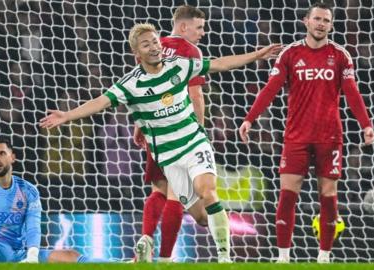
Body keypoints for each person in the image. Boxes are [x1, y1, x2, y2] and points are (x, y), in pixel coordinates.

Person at [40, 23, 281, 263]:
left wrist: (257, 55)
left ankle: (224, 258)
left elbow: (219, 63)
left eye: (155, 41)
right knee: (199, 216)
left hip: (194, 142)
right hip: (168, 157)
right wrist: (66, 115)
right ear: (138, 54)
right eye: (147, 44)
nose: (154, 47)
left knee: (207, 191)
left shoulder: (179, 65)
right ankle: (181, 245)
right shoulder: (131, 84)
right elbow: (99, 102)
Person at [238, 3, 374, 264]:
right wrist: (250, 118)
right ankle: (283, 257)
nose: (321, 24)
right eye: (317, 19)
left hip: (330, 137)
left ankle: (324, 256)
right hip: (296, 137)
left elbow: (352, 92)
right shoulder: (290, 54)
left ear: (331, 25)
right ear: (306, 21)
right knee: (287, 194)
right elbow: (271, 88)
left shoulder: (341, 55)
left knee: (328, 195)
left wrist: (366, 124)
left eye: (326, 20)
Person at [131, 5, 208, 262]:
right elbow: (196, 96)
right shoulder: (189, 52)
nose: (202, 33)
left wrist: (139, 124)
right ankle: (164, 259)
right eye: (199, 27)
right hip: (180, 131)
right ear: (183, 26)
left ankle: (146, 237)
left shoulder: (152, 46)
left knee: (159, 188)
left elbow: (142, 89)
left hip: (155, 129)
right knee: (176, 193)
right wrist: (198, 133)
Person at [0, 137, 100, 263]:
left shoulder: (28, 190)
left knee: (70, 256)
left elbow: (33, 228)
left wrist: (32, 254)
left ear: (12, 157)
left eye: (2, 153)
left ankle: (121, 264)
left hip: (20, 252)